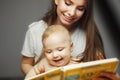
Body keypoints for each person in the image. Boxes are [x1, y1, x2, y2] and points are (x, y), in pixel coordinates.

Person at [21, 0, 120, 79]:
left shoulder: (89, 34)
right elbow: (26, 63)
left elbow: (102, 68)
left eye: (80, 8)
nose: (72, 13)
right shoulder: (35, 30)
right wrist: (38, 76)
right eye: (68, 3)